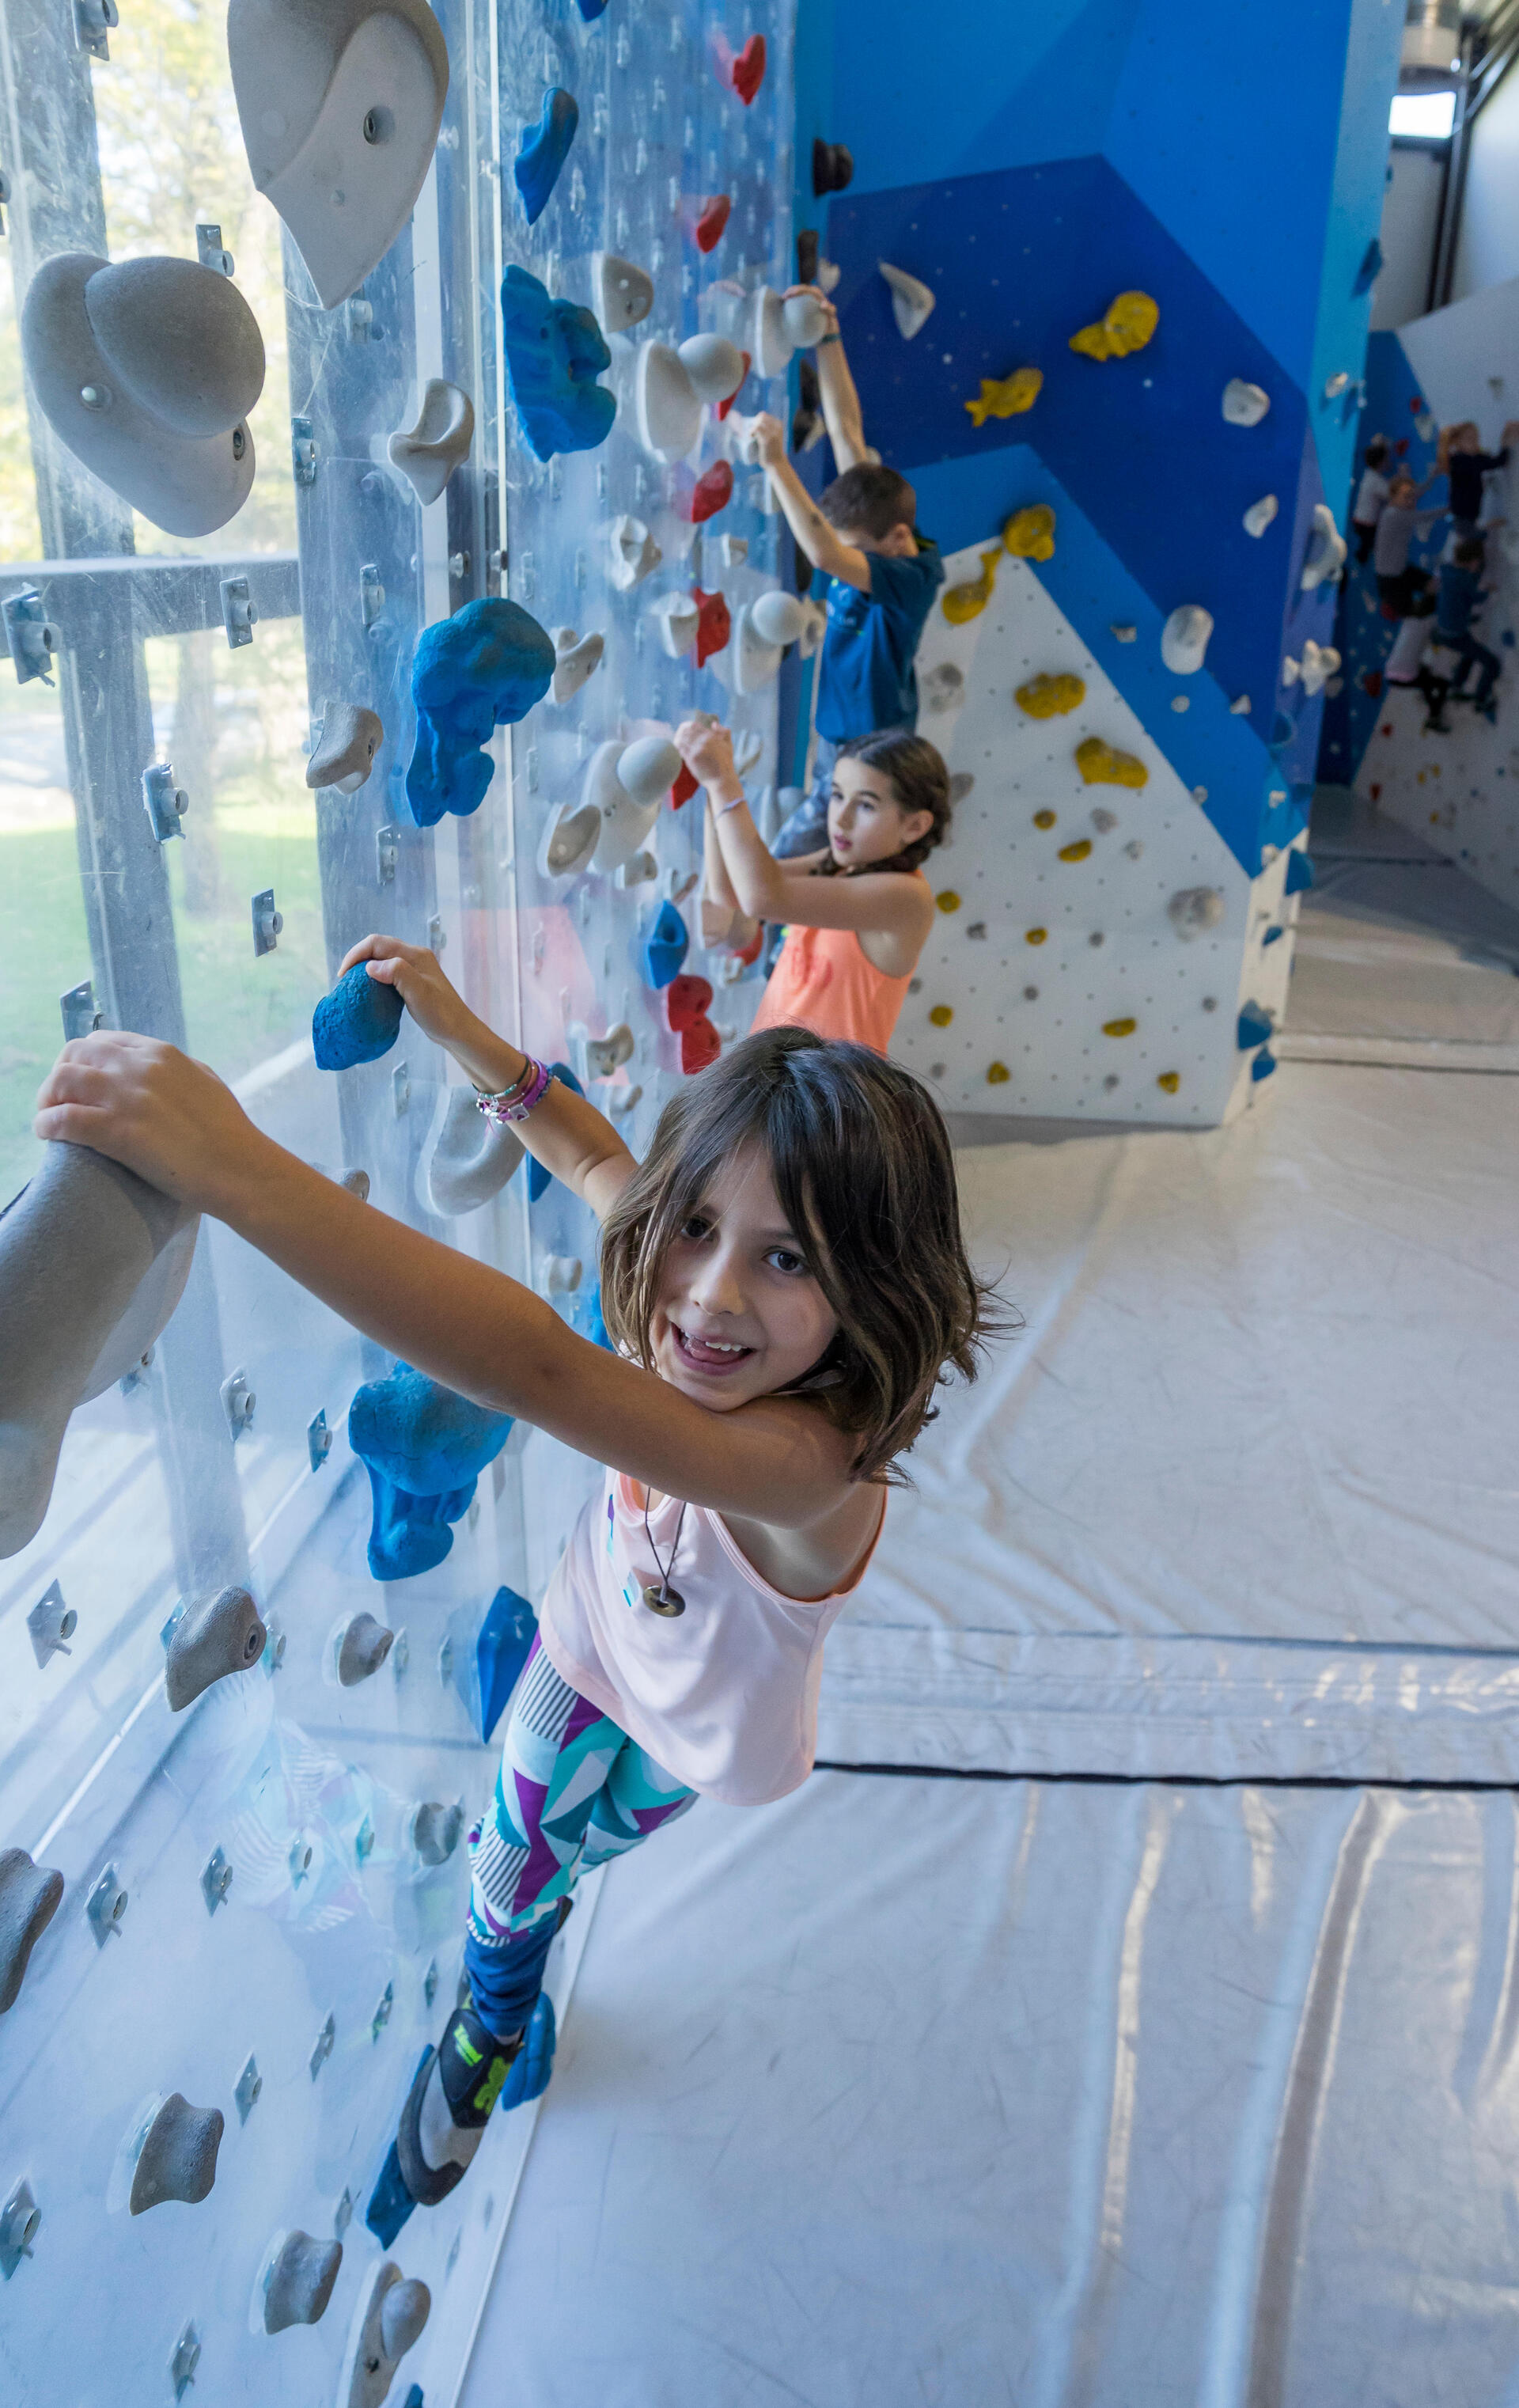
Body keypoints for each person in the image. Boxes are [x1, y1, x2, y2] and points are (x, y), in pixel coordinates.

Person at [33, 980, 997, 2232]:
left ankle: (501, 1984)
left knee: (556, 1861)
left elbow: (536, 1363)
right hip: (590, 1638)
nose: (706, 1295)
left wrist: (234, 1164)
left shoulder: (808, 1466)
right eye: (698, 1223)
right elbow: (595, 1154)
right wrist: (454, 1026)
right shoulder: (684, 1295)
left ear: (874, 1283)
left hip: (696, 1732)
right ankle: (493, 2018)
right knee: (511, 1870)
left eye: (787, 1257)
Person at [734, 283, 945, 860]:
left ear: (895, 541)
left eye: (858, 551)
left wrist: (777, 462)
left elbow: (826, 554)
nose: (848, 561)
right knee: (814, 852)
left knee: (797, 861)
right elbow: (848, 430)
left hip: (870, 753)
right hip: (845, 741)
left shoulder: (912, 577)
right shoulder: (883, 520)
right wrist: (828, 334)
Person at [681, 718, 950, 1054]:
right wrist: (710, 786)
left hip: (824, 1098)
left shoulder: (906, 898)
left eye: (865, 805)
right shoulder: (838, 864)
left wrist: (725, 783)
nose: (841, 818)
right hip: (775, 1078)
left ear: (914, 826)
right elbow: (732, 893)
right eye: (838, 796)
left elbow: (760, 898)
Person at [1436, 533, 1501, 722]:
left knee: (1470, 652)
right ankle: (1481, 698)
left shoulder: (1447, 569)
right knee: (1491, 663)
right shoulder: (1464, 579)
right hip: (1455, 633)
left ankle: (1457, 685)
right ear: (1472, 561)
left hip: (1446, 630)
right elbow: (1477, 597)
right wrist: (1488, 589)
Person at [1382, 571, 1452, 734]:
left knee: (1424, 677)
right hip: (1406, 673)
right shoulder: (1430, 621)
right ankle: (1434, 716)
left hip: (1391, 672)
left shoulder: (1409, 619)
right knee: (1442, 684)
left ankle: (1427, 696)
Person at [1374, 469, 1446, 617]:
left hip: (1400, 569)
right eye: (1407, 497)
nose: (1412, 501)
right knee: (1413, 613)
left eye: (1412, 497)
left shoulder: (1397, 508)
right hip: (1390, 578)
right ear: (1393, 497)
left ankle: (1447, 614)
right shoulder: (1394, 515)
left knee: (1433, 585)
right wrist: (1452, 508)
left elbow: (1415, 492)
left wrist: (1432, 477)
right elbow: (1426, 516)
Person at [1441, 418, 1517, 540]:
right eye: (1469, 439)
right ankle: (1489, 526)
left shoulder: (1475, 458)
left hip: (1471, 515)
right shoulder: (1458, 460)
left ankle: (1488, 526)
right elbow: (1488, 462)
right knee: (1480, 537)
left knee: (1482, 536)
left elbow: (1499, 461)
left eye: (1476, 438)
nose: (1474, 442)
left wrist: (1507, 435)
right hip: (1462, 517)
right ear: (1458, 442)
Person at [1351, 434, 1392, 563]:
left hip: (1360, 519)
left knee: (1366, 547)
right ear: (1381, 463)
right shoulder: (1377, 480)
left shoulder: (1368, 474)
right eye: (1387, 460)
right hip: (1367, 524)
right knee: (1372, 549)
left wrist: (1382, 445)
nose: (1389, 462)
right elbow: (1392, 494)